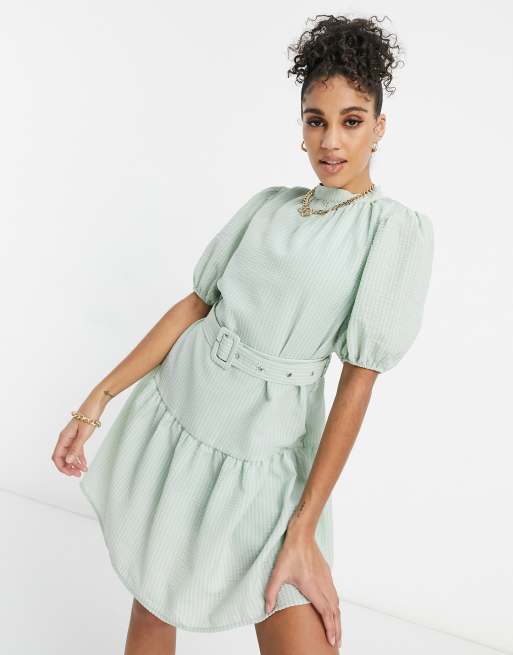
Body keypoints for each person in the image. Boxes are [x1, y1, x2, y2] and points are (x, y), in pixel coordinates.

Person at [51, 13, 434, 655]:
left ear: (380, 126)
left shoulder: (391, 231)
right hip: (182, 418)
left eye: (351, 120)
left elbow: (357, 383)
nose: (331, 141)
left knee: (299, 629)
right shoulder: (269, 205)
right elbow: (195, 307)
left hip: (267, 460)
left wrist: (303, 528)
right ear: (300, 127)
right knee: (154, 603)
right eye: (315, 120)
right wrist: (98, 399)